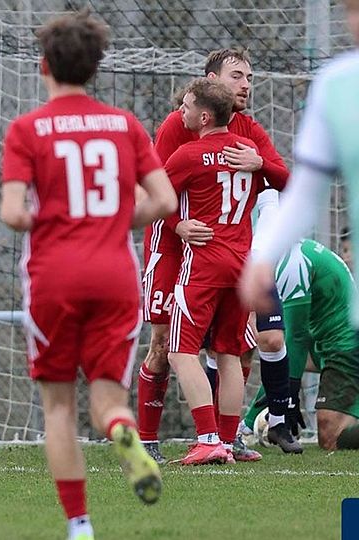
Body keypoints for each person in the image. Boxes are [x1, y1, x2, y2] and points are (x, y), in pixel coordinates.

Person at [0, 12, 175, 540]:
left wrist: (48, 216)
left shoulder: (27, 129)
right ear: (95, 67)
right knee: (108, 403)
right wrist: (116, 217)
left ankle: (79, 525)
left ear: (43, 64)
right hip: (116, 276)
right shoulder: (124, 125)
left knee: (58, 407)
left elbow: (11, 212)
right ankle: (124, 431)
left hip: (54, 276)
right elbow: (164, 200)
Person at [137, 48, 296, 462]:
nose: (246, 84)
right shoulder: (178, 125)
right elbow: (158, 190)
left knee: (221, 347)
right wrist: (177, 226)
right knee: (161, 341)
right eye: (237, 76)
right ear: (213, 82)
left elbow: (282, 176)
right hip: (174, 245)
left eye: (249, 77)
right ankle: (149, 438)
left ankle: (219, 438)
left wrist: (260, 161)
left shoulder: (246, 133)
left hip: (208, 256)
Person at [240, 0, 359, 452]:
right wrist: (264, 257)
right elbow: (303, 191)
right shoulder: (337, 85)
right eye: (351, 9)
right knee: (330, 434)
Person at [163, 78, 273, 464]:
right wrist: (264, 164)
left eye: (188, 106)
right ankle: (227, 441)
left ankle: (208, 438)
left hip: (205, 262)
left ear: (204, 115)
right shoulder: (247, 152)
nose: (182, 111)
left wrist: (178, 224)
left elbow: (153, 197)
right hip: (242, 263)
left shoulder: (189, 154)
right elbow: (283, 182)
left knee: (180, 351)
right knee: (228, 353)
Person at [243, 239, 359, 449]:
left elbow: (296, 338)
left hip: (345, 344)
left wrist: (289, 397)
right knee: (276, 357)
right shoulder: (278, 257)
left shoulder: (292, 262)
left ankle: (248, 426)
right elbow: (280, 357)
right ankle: (246, 427)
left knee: (330, 436)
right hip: (324, 343)